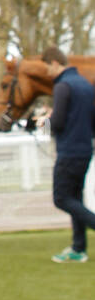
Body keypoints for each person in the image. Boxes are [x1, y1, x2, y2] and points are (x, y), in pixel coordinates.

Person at [42, 46, 95, 262]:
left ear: (54, 63)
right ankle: (78, 248)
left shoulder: (63, 86)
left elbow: (57, 123)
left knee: (62, 198)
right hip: (85, 150)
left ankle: (80, 245)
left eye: (47, 67)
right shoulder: (86, 85)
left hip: (69, 152)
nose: (47, 72)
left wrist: (44, 122)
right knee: (75, 198)